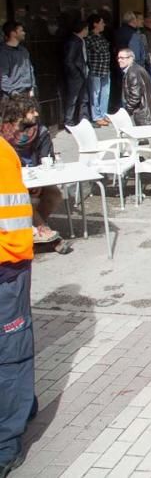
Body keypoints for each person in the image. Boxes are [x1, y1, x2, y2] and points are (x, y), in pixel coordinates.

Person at [0, 138, 35, 477]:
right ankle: (25, 407)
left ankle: (6, 444)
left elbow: (14, 229)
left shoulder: (1, 155)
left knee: (10, 356)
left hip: (6, 269)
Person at [0, 95, 62, 245]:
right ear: (19, 115)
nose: (36, 114)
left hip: (36, 178)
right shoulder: (2, 136)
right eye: (32, 111)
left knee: (54, 194)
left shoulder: (40, 132)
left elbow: (48, 158)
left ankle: (35, 229)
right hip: (11, 183)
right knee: (23, 197)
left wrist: (38, 181)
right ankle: (42, 230)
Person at [118, 48, 151, 125]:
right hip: (147, 113)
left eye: (122, 58)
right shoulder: (136, 69)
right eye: (119, 58)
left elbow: (135, 97)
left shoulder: (133, 73)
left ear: (131, 58)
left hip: (142, 115)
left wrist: (126, 113)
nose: (119, 60)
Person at [85, 14, 112, 127]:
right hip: (95, 70)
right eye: (101, 22)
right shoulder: (90, 38)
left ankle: (103, 114)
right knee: (95, 94)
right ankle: (96, 116)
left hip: (105, 69)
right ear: (95, 24)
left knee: (105, 93)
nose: (103, 24)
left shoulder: (102, 37)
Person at [62, 20, 90, 127]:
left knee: (84, 98)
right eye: (86, 28)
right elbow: (69, 60)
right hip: (77, 75)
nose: (88, 31)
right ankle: (69, 122)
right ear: (82, 29)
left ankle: (83, 119)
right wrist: (75, 73)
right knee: (73, 99)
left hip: (82, 73)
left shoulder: (80, 40)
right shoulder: (74, 41)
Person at [0, 22, 35, 98]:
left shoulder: (24, 51)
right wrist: (13, 93)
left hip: (27, 94)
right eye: (21, 30)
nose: (24, 33)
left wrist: (32, 88)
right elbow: (2, 76)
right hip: (12, 96)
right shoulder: (3, 53)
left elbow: (30, 69)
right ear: (13, 33)